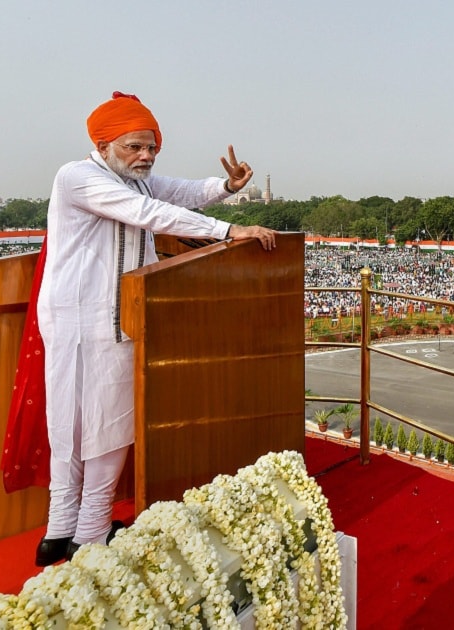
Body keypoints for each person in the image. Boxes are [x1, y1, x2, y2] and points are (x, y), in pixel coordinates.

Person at [31, 92, 277, 566]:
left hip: (113, 317)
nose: (145, 156)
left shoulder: (134, 180)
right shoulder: (79, 177)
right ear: (104, 144)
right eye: (135, 147)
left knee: (95, 420)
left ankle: (75, 531)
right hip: (81, 318)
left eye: (152, 148)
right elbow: (149, 215)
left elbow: (181, 192)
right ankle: (74, 528)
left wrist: (225, 186)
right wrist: (229, 231)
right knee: (83, 421)